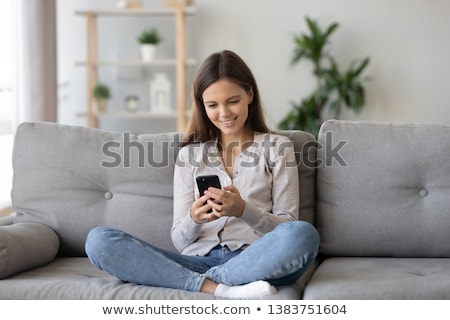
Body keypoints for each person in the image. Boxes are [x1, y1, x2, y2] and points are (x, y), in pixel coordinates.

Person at [85, 50, 320, 299]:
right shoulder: (190, 156)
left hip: (255, 260)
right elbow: (180, 240)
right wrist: (194, 218)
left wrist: (243, 210)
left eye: (232, 101)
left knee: (303, 234)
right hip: (197, 261)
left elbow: (287, 226)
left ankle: (210, 282)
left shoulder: (277, 147)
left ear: (249, 95)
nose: (224, 113)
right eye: (212, 105)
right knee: (99, 241)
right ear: (202, 106)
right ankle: (222, 289)